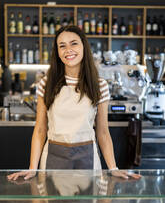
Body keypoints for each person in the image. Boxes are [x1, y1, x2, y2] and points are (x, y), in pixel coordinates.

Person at [7, 25, 141, 181]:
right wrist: (32, 168)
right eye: (62, 46)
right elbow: (40, 130)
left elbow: (103, 132)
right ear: (57, 52)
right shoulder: (46, 84)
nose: (68, 50)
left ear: (84, 46)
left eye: (74, 43)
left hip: (88, 160)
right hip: (53, 158)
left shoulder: (99, 85)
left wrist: (113, 168)